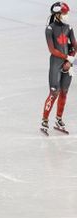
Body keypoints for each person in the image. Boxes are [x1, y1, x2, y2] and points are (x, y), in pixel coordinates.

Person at [41, 2, 77, 134]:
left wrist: (70, 59)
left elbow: (74, 46)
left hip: (67, 64)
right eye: (64, 13)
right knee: (54, 93)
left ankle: (59, 119)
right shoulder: (49, 29)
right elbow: (52, 50)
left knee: (64, 92)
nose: (66, 15)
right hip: (56, 64)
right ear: (57, 14)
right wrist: (68, 58)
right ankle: (44, 120)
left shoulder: (69, 27)